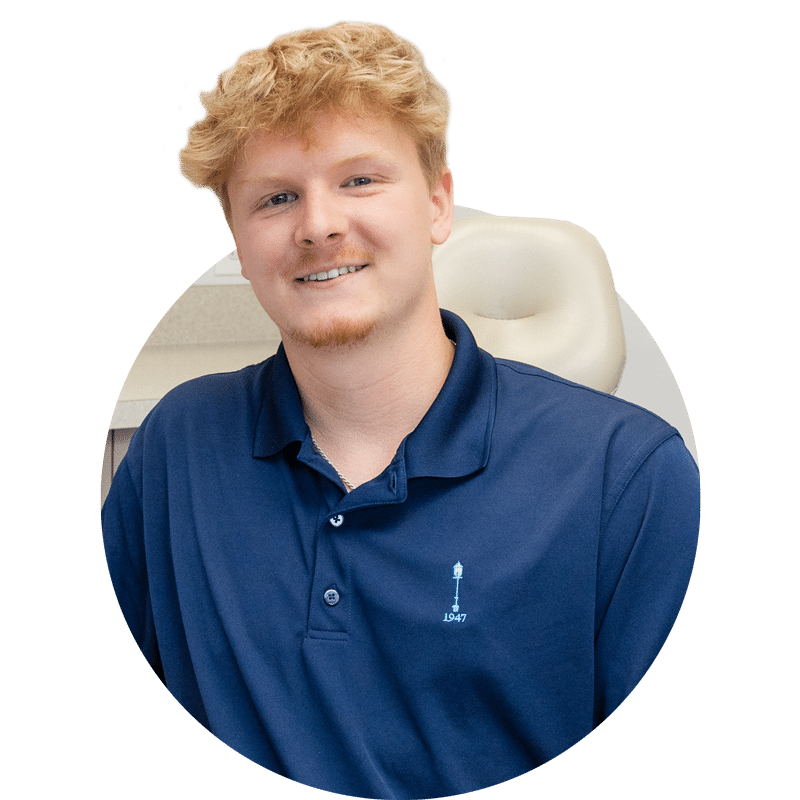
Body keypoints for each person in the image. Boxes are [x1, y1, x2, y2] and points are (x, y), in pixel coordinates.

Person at [102, 20, 700, 800]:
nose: (319, 226)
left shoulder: (629, 480)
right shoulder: (176, 449)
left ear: (439, 202)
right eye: (277, 197)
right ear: (238, 242)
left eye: (359, 180)